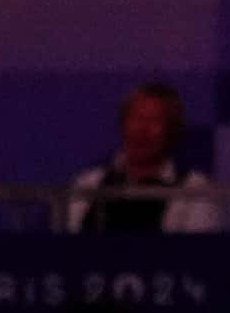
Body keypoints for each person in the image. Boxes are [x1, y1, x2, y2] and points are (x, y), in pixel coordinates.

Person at [67, 82, 220, 233]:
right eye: (135, 118)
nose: (141, 130)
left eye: (154, 121)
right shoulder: (88, 184)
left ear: (172, 131)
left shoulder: (193, 189)